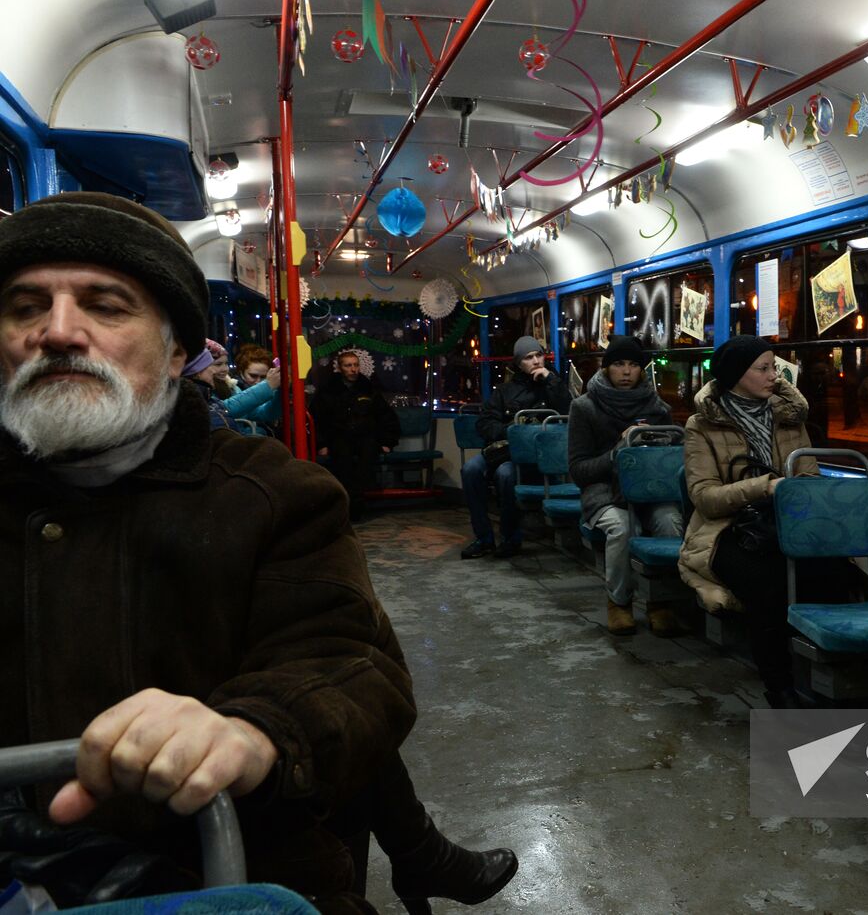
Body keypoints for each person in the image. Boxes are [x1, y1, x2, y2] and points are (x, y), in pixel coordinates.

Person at [0, 192, 517, 913]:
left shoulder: (272, 494)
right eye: (24, 307)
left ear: (177, 348)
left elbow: (349, 663)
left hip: (242, 862)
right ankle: (422, 855)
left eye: (106, 306)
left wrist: (253, 729)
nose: (56, 333)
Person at [678, 335, 858, 709]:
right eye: (762, 368)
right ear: (735, 376)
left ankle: (837, 684)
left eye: (774, 367)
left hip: (788, 524)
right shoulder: (702, 426)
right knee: (768, 584)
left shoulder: (789, 417)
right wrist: (766, 487)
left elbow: (808, 477)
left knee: (839, 575)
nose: (773, 375)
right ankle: (779, 686)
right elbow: (705, 498)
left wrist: (796, 495)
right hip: (727, 530)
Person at [567, 335, 683, 636]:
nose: (627, 371)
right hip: (604, 492)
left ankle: (662, 601)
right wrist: (620, 451)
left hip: (650, 491)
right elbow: (579, 470)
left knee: (670, 521)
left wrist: (656, 442)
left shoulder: (657, 408)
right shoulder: (585, 407)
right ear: (607, 369)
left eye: (633, 364)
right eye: (619, 364)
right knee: (621, 526)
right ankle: (619, 602)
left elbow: (671, 456)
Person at [460, 335, 571, 560]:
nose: (536, 361)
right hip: (504, 449)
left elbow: (568, 411)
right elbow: (485, 422)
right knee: (470, 469)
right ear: (519, 363)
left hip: (536, 457)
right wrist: (512, 432)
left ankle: (511, 538)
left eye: (539, 355)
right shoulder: (505, 391)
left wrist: (550, 380)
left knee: (506, 474)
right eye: (529, 357)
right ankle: (484, 537)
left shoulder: (554, 384)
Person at [310, 350, 400, 521]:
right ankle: (348, 505)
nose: (353, 369)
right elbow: (317, 419)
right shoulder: (328, 391)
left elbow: (385, 416)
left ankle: (356, 503)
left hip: (365, 436)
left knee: (367, 459)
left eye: (356, 365)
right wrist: (321, 444)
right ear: (339, 368)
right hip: (339, 436)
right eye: (348, 365)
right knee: (343, 462)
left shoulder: (368, 388)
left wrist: (387, 441)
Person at [221, 343, 283, 436]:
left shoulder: (269, 389)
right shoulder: (233, 388)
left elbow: (264, 413)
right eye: (253, 376)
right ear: (241, 372)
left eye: (263, 377)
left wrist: (280, 392)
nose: (258, 381)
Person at [180, 343, 233, 430]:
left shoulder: (206, 395)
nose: (213, 371)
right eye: (209, 366)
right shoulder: (192, 404)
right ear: (197, 372)